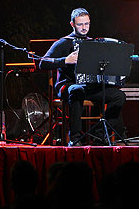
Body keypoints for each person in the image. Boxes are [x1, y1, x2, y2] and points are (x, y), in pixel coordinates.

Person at [39, 8, 126, 146]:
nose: (84, 28)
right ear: (72, 24)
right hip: (67, 86)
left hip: (90, 87)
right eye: (80, 24)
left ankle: (99, 135)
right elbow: (42, 63)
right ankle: (76, 137)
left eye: (87, 24)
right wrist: (65, 60)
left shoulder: (93, 43)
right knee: (77, 90)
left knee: (118, 96)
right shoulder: (63, 42)